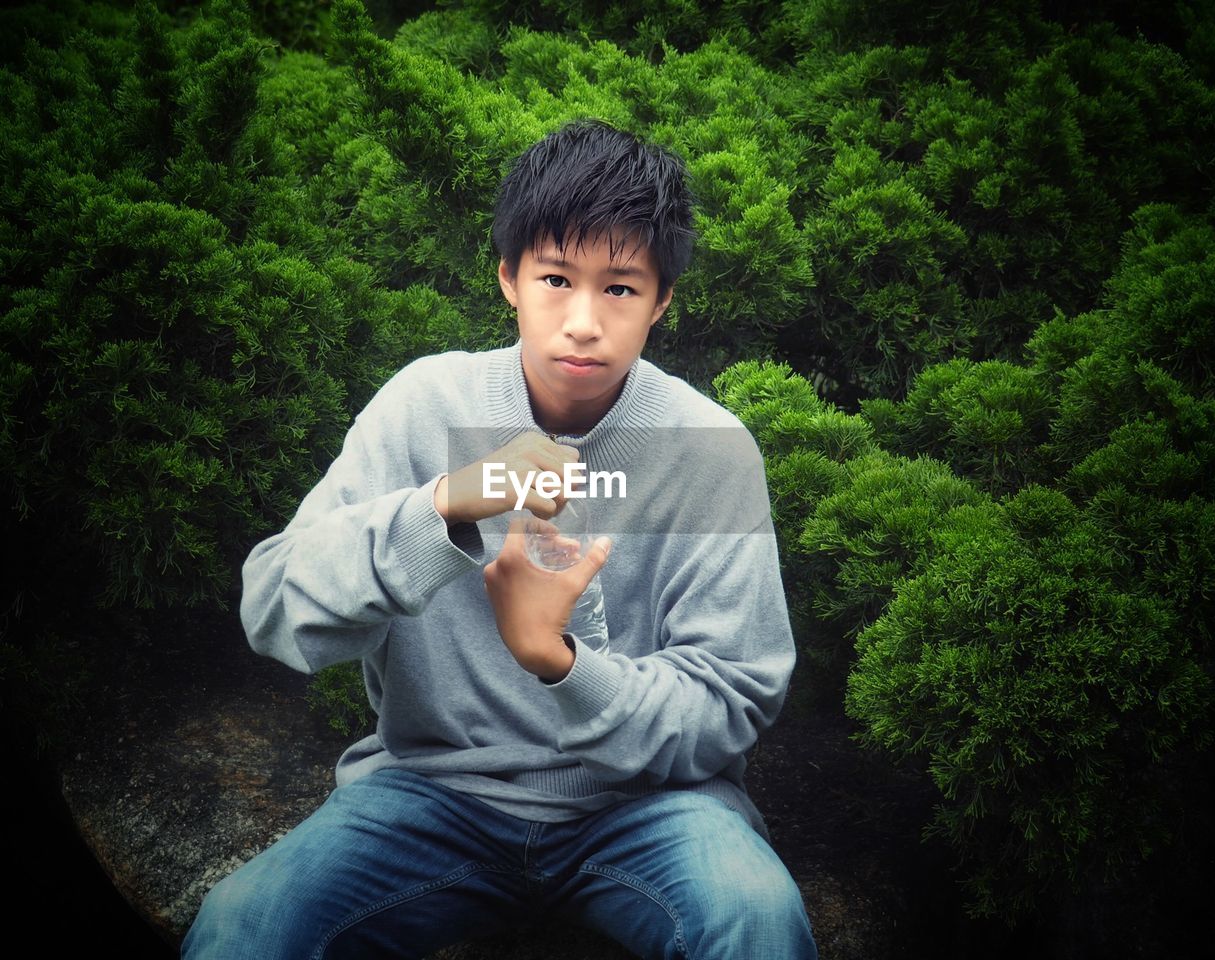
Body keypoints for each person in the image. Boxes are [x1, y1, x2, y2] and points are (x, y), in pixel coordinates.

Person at [182, 120, 818, 960]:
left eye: (621, 288)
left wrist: (557, 662)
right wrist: (443, 507)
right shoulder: (426, 406)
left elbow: (729, 701)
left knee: (756, 920)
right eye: (555, 278)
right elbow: (272, 608)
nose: (583, 322)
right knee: (243, 928)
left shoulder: (710, 450)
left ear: (663, 299)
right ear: (509, 278)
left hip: (651, 809)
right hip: (430, 796)